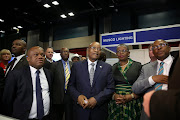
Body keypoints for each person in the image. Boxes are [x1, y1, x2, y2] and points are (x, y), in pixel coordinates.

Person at [2, 46, 53, 120]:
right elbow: (7, 99)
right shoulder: (16, 74)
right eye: (36, 54)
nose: (40, 57)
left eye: (42, 55)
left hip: (46, 117)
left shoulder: (49, 73)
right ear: (28, 58)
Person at [68, 42, 115, 120]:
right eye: (94, 48)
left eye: (99, 49)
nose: (96, 51)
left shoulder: (107, 67)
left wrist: (97, 99)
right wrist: (78, 97)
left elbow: (110, 88)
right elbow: (70, 86)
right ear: (88, 50)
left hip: (99, 112)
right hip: (80, 111)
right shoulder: (76, 66)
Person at [132, 39, 174, 120]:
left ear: (169, 48)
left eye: (162, 45)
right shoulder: (146, 68)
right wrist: (152, 79)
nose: (158, 48)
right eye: (155, 47)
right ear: (153, 52)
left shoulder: (177, 64)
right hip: (150, 113)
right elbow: (135, 88)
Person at [108, 44, 142, 120]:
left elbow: (142, 85)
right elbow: (110, 84)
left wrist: (131, 96)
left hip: (133, 99)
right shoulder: (113, 67)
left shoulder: (137, 65)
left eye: (123, 51)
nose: (121, 53)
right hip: (117, 100)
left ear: (128, 53)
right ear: (116, 54)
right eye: (118, 51)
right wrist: (114, 96)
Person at [50, 47, 73, 120]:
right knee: (58, 116)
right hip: (58, 97)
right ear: (60, 54)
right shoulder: (54, 65)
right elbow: (51, 80)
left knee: (69, 116)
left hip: (70, 96)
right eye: (64, 51)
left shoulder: (73, 65)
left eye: (67, 51)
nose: (66, 53)